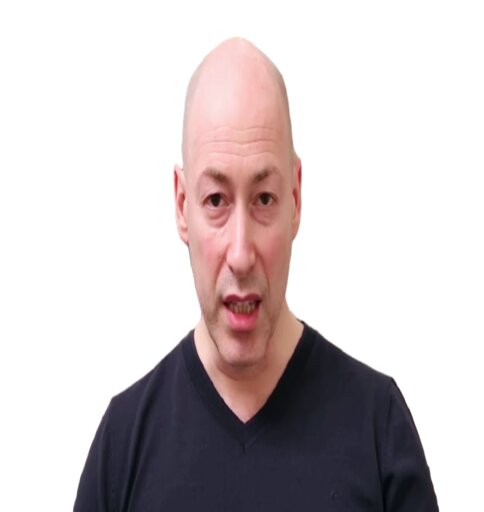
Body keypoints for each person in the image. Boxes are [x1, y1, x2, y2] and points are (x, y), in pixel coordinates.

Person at [74, 37, 438, 511]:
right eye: (216, 201)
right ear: (182, 206)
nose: (241, 254)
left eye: (264, 199)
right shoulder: (121, 447)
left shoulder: (378, 428)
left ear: (296, 199)